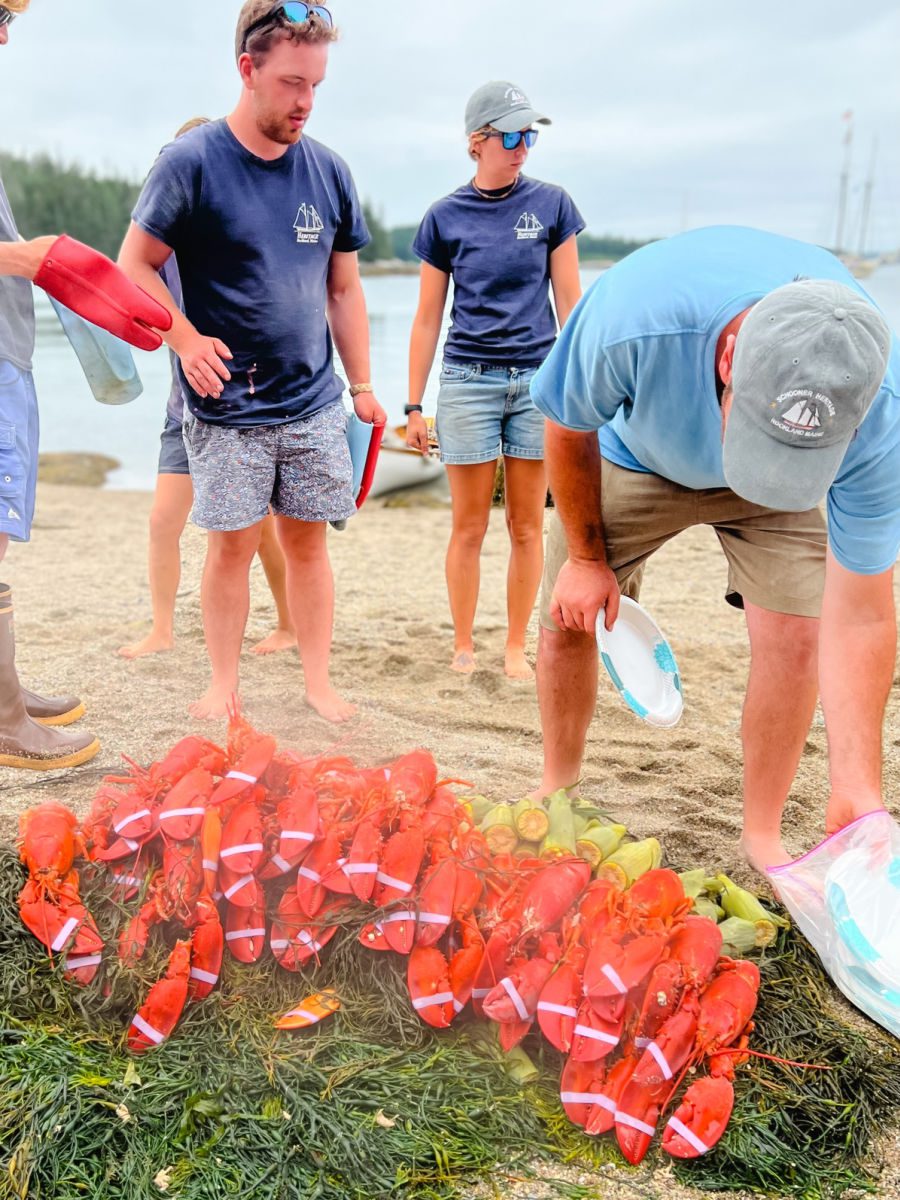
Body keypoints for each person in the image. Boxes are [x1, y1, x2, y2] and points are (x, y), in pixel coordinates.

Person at [530, 224, 898, 873]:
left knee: (799, 633)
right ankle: (558, 783)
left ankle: (762, 837)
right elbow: (567, 420)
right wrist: (588, 562)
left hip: (780, 501)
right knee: (566, 614)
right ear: (729, 359)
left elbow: (863, 611)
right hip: (635, 454)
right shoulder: (634, 314)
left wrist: (857, 785)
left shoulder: (879, 405)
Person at [118, 0, 385, 723]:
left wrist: (361, 385)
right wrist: (183, 337)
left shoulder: (328, 171)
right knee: (230, 547)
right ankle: (221, 684)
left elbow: (343, 286)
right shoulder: (191, 161)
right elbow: (133, 266)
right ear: (248, 68)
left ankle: (319, 683)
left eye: (316, 87)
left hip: (312, 401)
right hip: (225, 407)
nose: (305, 102)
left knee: (307, 547)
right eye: (293, 83)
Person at [0, 0, 170, 768]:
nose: (7, 34)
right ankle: (5, 721)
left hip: (11, 355)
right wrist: (21, 260)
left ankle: (1, 691)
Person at [406, 81, 583, 679]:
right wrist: (411, 403)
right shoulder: (444, 217)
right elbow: (429, 315)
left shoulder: (554, 205)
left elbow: (570, 304)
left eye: (529, 135)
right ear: (477, 142)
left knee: (527, 525)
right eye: (511, 135)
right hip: (466, 380)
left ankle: (514, 646)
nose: (523, 147)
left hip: (536, 381)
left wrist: (576, 389)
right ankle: (463, 643)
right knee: (470, 525)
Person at [118, 117, 296, 661]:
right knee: (161, 521)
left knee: (260, 530)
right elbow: (136, 304)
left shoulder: (233, 239)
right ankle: (163, 629)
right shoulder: (156, 248)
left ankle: (289, 624)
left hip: (241, 409)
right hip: (183, 407)